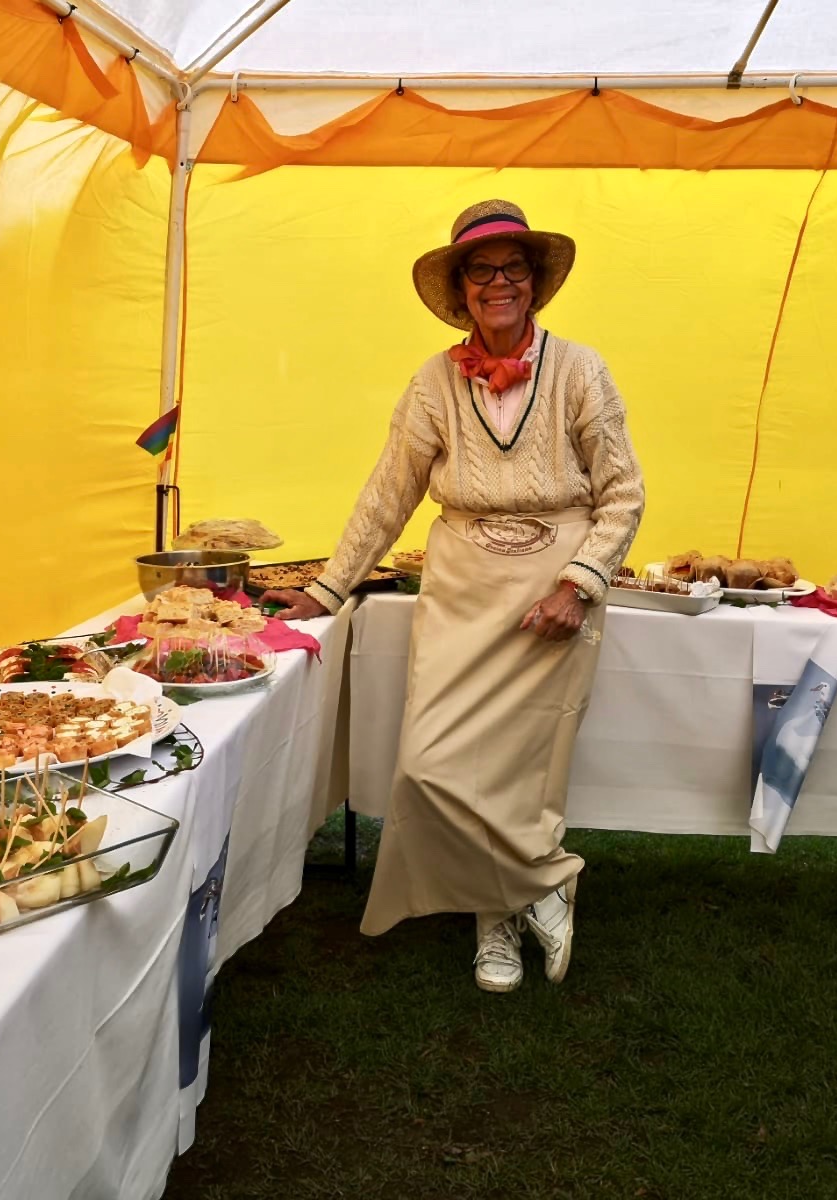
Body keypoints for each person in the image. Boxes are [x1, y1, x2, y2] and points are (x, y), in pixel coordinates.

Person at [263, 200, 645, 993]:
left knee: (525, 766)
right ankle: (544, 881)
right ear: (462, 288)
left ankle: (493, 921)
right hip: (462, 587)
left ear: (535, 282)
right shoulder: (433, 381)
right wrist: (328, 588)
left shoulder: (582, 370)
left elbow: (623, 494)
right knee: (431, 766)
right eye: (481, 271)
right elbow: (389, 493)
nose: (498, 283)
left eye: (514, 268)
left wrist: (579, 585)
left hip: (554, 589)